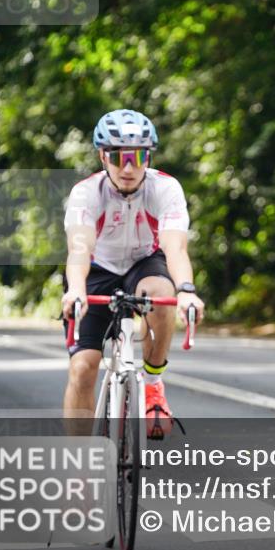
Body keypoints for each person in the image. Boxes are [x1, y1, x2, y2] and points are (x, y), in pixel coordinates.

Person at [61, 109, 204, 438]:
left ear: (148, 157)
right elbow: (79, 250)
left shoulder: (165, 189)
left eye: (138, 156)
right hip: (97, 267)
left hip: (144, 260)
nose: (128, 167)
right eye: (118, 156)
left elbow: (175, 248)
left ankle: (153, 385)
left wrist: (185, 290)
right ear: (102, 156)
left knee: (161, 293)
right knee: (83, 368)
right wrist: (77, 290)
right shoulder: (86, 193)